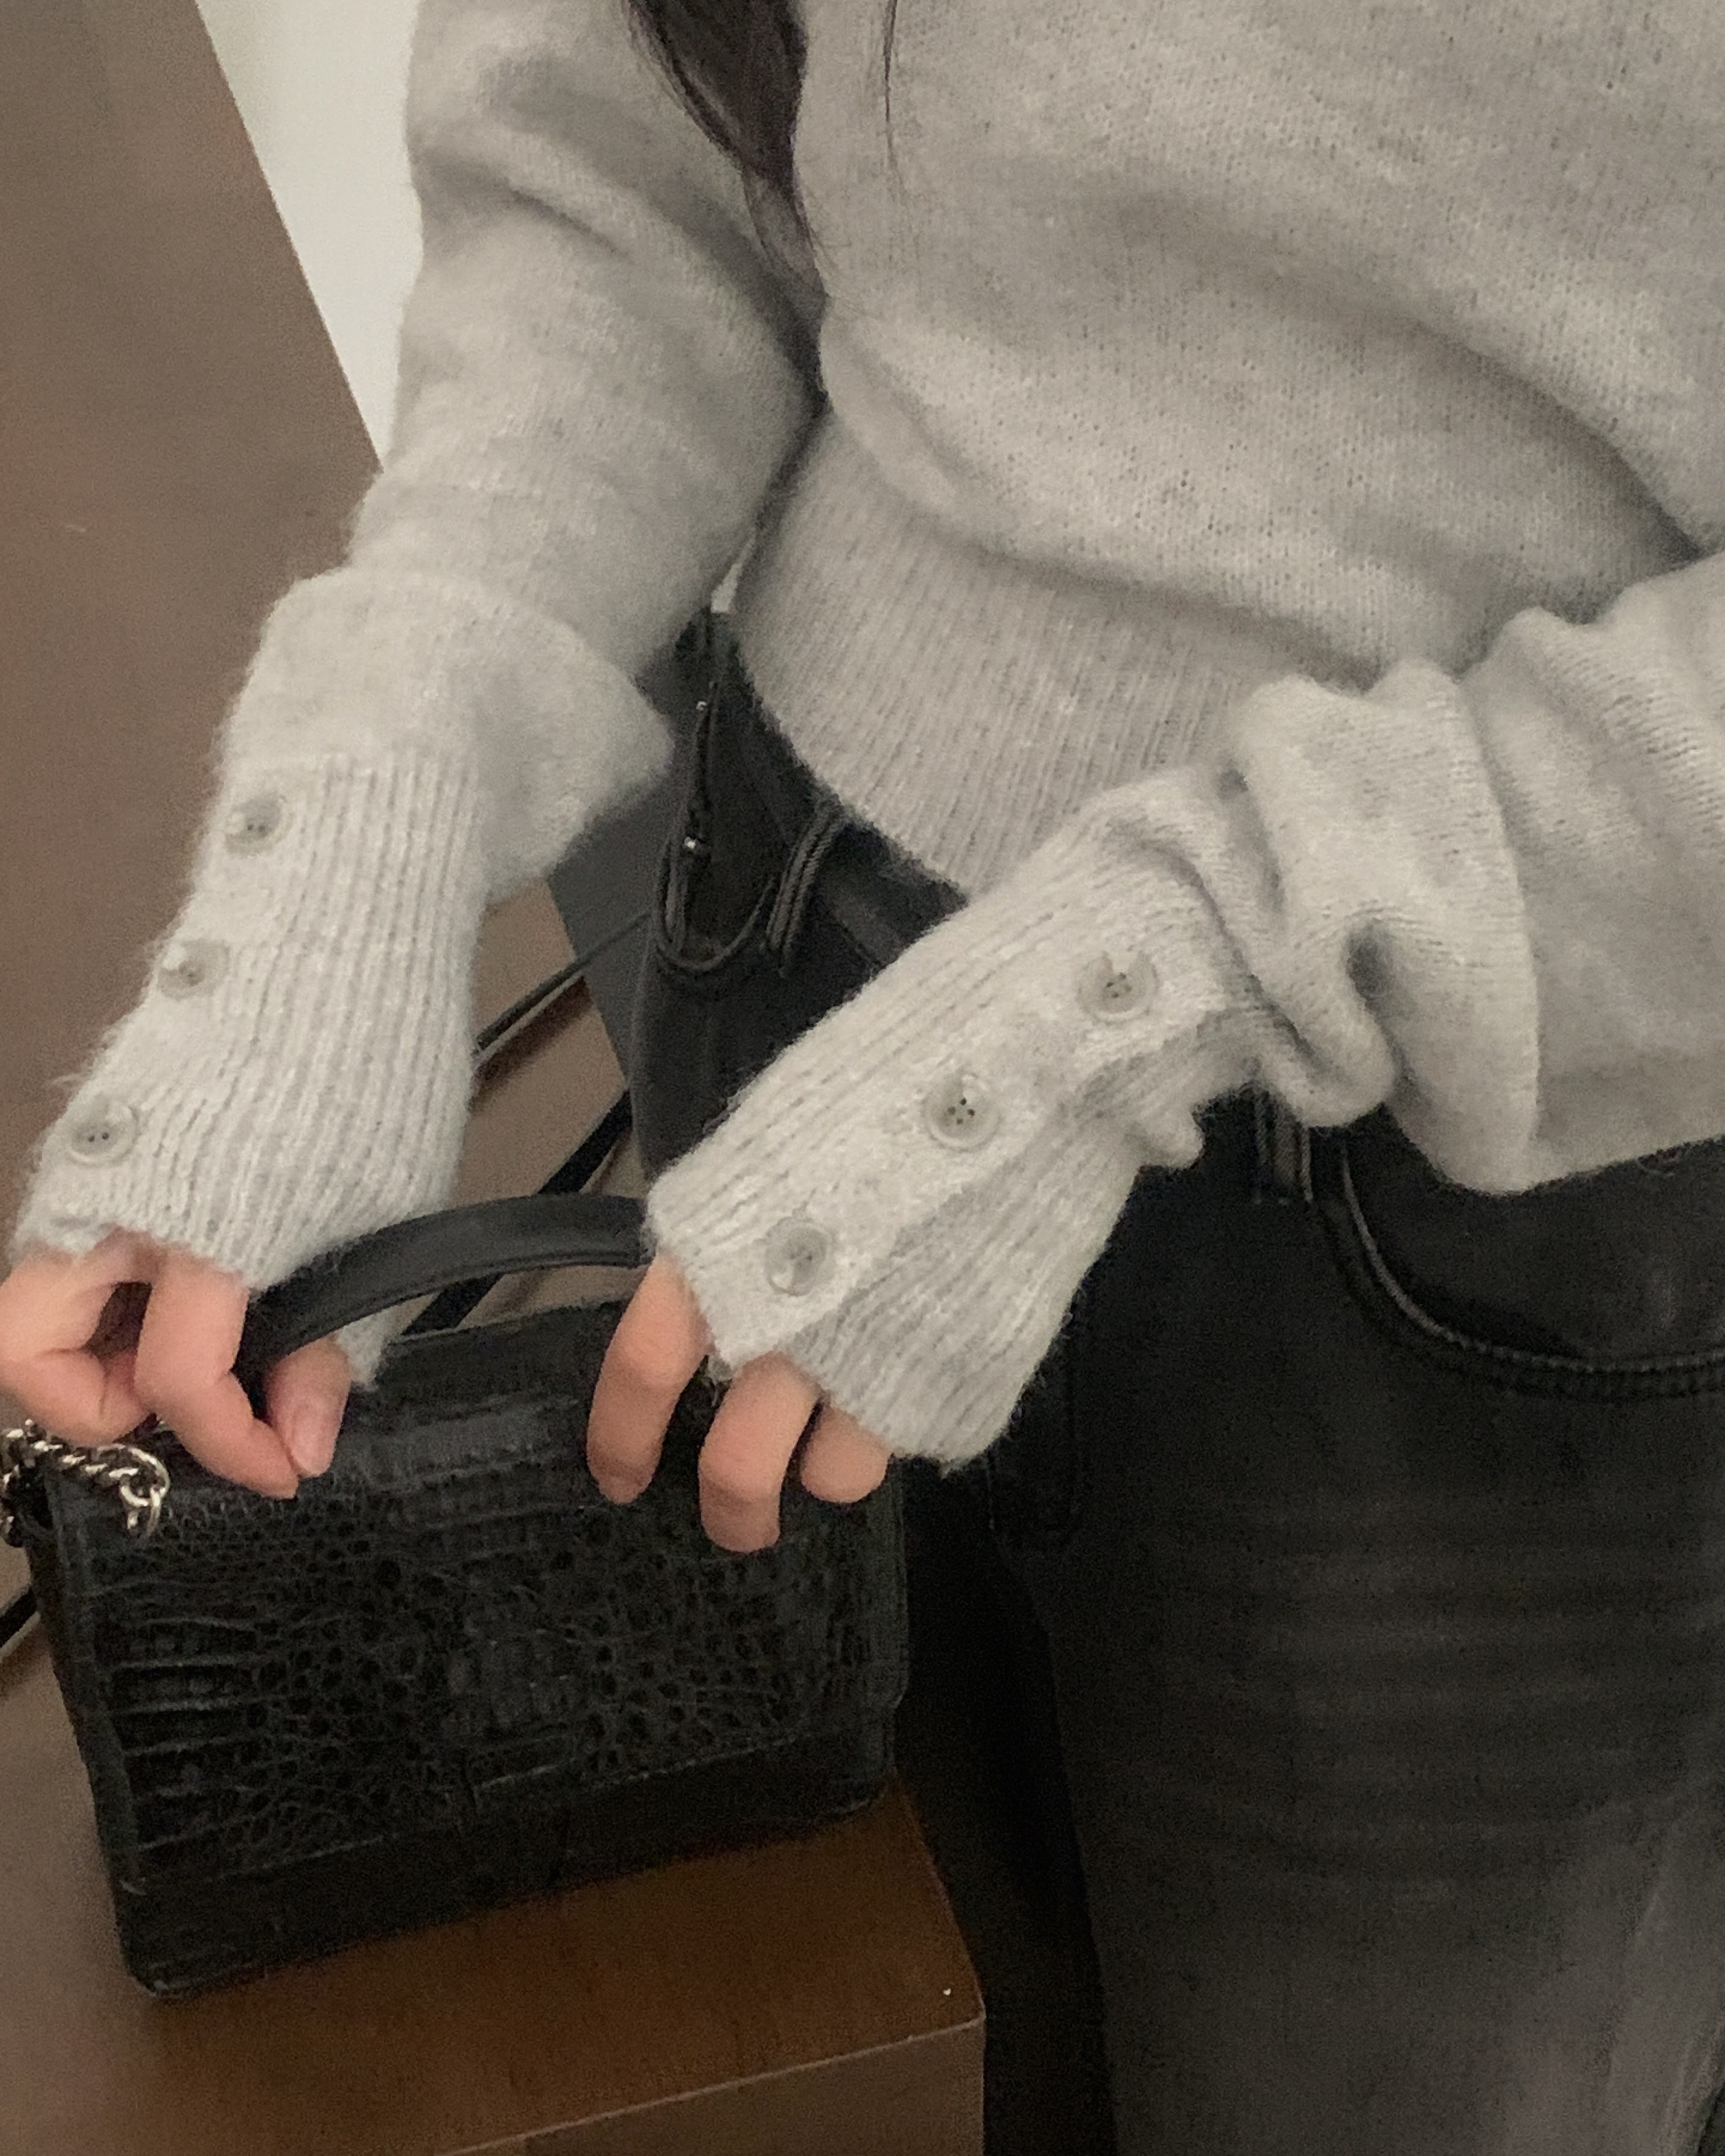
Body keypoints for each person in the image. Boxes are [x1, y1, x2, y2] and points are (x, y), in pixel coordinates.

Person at [4, 0, 1725, 2146]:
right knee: (819, 2057)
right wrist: (372, 810)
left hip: (1498, 1237)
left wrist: (1133, 988)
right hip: (794, 983)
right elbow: (651, 135)